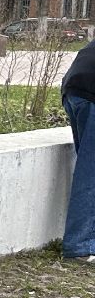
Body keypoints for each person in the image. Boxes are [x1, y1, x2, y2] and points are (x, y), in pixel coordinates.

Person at [61, 38, 95, 262]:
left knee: (89, 169)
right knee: (90, 173)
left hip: (73, 90)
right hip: (91, 94)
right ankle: (79, 247)